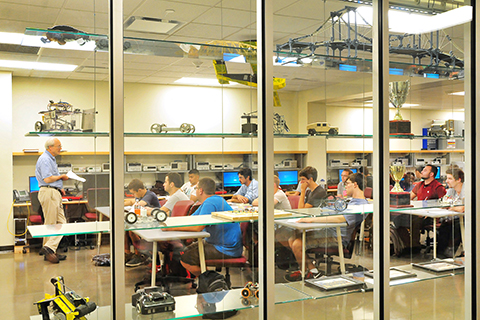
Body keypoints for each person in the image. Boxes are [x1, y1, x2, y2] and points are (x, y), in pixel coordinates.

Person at [283, 173, 369, 281]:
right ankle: (307, 270)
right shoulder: (351, 201)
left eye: (347, 184)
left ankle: (313, 272)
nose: (345, 186)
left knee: (296, 244)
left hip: (336, 237)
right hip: (328, 232)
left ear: (355, 185)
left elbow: (340, 218)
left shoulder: (360, 204)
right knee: (292, 238)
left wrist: (310, 220)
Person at [165, 177, 243, 276]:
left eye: (196, 189)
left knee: (186, 259)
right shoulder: (212, 200)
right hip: (223, 245)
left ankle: (210, 281)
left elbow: (198, 227)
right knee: (185, 251)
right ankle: (208, 278)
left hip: (226, 249)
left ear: (200, 191)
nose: (195, 191)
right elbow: (191, 219)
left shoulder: (210, 202)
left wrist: (170, 228)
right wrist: (170, 222)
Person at [393, 164, 446, 250]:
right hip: (418, 213)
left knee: (415, 221)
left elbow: (443, 204)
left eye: (425, 170)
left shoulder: (438, 187)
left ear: (431, 174)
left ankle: (414, 246)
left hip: (429, 216)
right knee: (397, 220)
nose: (421, 172)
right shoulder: (419, 185)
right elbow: (409, 198)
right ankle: (408, 244)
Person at [35, 138, 69, 264]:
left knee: (62, 223)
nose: (60, 148)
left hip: (54, 192)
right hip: (49, 192)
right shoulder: (45, 159)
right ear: (50, 147)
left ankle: (49, 248)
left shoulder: (51, 159)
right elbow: (48, 179)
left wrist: (60, 187)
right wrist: (62, 177)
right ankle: (49, 251)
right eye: (58, 146)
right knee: (50, 224)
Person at [124, 179, 160, 267]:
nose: (133, 195)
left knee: (131, 230)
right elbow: (133, 201)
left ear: (139, 190)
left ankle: (139, 255)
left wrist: (132, 207)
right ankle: (127, 254)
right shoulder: (140, 195)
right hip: (145, 221)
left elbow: (139, 205)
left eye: (134, 193)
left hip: (154, 224)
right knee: (125, 229)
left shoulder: (150, 195)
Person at [437, 167, 464, 257]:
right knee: (445, 225)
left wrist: (451, 207)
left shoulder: (466, 190)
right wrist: (453, 207)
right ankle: (441, 254)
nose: (447, 181)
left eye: (450, 178)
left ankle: (451, 251)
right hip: (452, 218)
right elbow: (444, 203)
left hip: (465, 219)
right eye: (447, 178)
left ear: (458, 180)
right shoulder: (451, 190)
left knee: (455, 226)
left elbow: (463, 208)